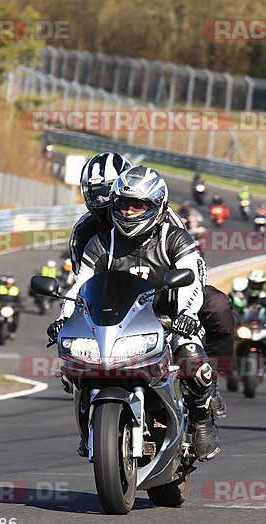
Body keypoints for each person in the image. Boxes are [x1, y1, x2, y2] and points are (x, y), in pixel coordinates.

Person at [49, 166, 221, 462]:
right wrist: (64, 318)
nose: (129, 212)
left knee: (194, 358)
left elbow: (193, 281)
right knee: (74, 363)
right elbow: (81, 285)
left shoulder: (176, 238)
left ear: (156, 207)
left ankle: (201, 422)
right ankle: (88, 430)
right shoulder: (101, 242)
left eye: (138, 205)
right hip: (118, 322)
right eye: (124, 205)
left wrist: (186, 315)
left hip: (167, 320)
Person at [68, 152, 233, 420]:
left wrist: (185, 312)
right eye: (94, 192)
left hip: (167, 291)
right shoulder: (86, 232)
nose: (101, 200)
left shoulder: (168, 223)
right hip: (116, 299)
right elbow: (83, 282)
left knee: (218, 306)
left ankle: (209, 382)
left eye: (107, 191)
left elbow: (191, 267)